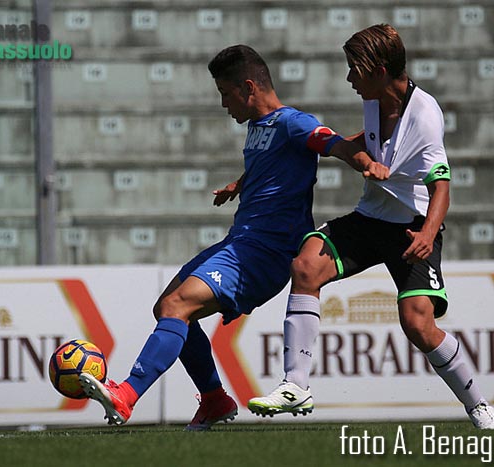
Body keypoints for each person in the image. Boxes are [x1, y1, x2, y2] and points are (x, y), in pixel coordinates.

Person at [78, 44, 388, 430]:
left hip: (265, 252)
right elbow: (272, 164)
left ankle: (126, 395)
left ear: (248, 87)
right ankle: (213, 400)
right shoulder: (260, 128)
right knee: (167, 308)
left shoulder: (294, 122)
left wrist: (366, 164)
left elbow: (334, 143)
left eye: (226, 94)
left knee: (177, 306)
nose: (224, 104)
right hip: (241, 241)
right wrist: (240, 185)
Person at [248, 24, 494, 430]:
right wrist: (342, 151)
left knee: (418, 324)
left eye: (355, 69)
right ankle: (295, 385)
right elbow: (367, 142)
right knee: (306, 266)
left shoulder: (424, 116)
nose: (349, 78)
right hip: (370, 218)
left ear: (380, 70)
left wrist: (426, 235)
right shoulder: (376, 99)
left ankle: (478, 406)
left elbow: (441, 187)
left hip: (411, 228)